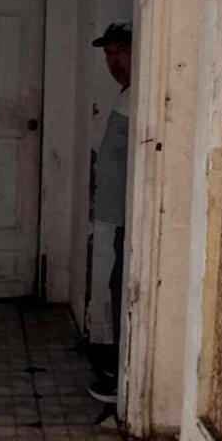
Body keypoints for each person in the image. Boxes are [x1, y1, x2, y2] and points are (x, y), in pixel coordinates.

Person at [89, 22, 132, 404]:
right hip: (120, 218)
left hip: (135, 219)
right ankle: (122, 362)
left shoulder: (143, 97)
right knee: (117, 287)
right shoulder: (128, 95)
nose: (113, 61)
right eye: (108, 53)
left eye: (120, 51)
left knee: (124, 289)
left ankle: (126, 375)